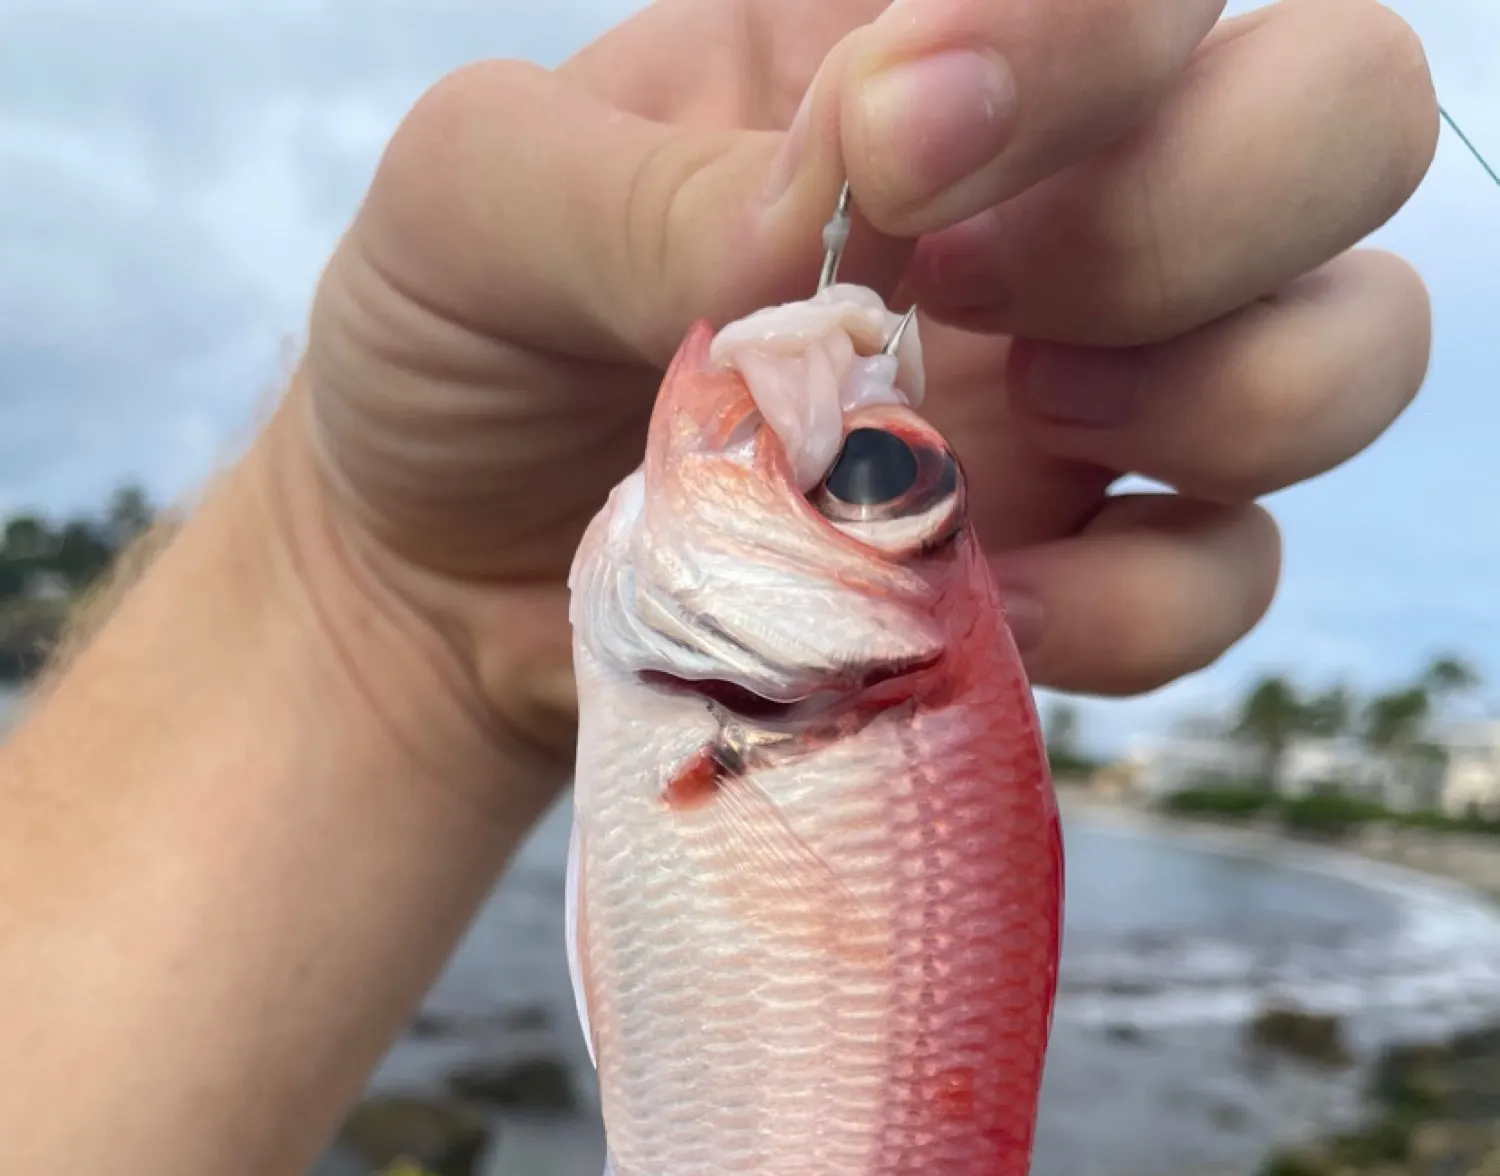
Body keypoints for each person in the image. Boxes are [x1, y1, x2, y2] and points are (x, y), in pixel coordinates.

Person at [0, 0, 1438, 1169]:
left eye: (881, 485)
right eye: (890, 486)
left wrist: (374, 592)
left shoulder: (718, 679)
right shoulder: (714, 675)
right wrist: (369, 588)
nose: (844, 406)